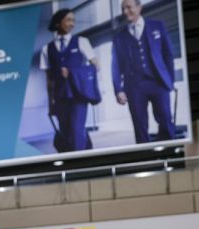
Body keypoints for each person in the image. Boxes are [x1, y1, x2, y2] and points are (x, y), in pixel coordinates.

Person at [111, 0, 177, 144]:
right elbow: (115, 66)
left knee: (166, 120)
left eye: (129, 7)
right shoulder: (119, 38)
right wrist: (118, 89)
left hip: (158, 83)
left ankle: (168, 153)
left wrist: (170, 81)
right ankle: (147, 158)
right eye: (123, 9)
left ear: (139, 7)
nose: (125, 12)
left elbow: (168, 55)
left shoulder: (157, 26)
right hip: (134, 87)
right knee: (140, 127)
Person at [40, 8, 98, 152]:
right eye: (68, 20)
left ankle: (79, 165)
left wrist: (73, 73)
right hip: (60, 98)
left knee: (76, 131)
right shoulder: (46, 49)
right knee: (66, 133)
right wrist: (50, 104)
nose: (72, 24)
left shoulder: (81, 42)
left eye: (74, 20)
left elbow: (96, 66)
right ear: (59, 23)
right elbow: (48, 80)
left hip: (78, 96)